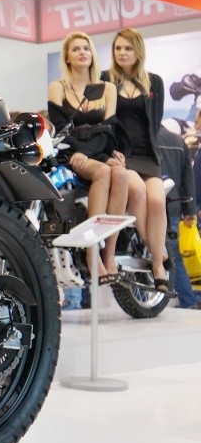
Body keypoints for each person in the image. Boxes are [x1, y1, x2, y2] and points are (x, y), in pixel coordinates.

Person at [46, 32, 128, 282]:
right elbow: (61, 129)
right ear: (67, 57)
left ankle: (109, 253)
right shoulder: (58, 87)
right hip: (70, 151)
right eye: (76, 49)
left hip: (97, 149)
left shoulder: (108, 88)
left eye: (86, 48)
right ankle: (91, 250)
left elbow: (109, 129)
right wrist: (80, 151)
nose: (83, 52)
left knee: (120, 173)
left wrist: (89, 151)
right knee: (103, 171)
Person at [102, 28, 171, 294]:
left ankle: (156, 256)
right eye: (118, 48)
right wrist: (110, 151)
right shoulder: (106, 79)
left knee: (158, 201)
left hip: (148, 155)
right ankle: (157, 258)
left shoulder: (154, 82)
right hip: (123, 154)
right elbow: (105, 120)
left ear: (138, 51)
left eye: (128, 48)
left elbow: (156, 119)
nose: (122, 53)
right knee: (138, 191)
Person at [158, 128, 198, 309]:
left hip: (151, 206)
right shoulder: (178, 141)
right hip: (174, 206)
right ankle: (187, 300)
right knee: (174, 255)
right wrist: (189, 209)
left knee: (162, 254)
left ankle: (187, 300)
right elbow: (188, 178)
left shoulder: (147, 138)